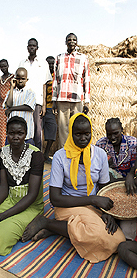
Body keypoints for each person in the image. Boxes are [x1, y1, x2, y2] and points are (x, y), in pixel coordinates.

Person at [23, 113, 125, 263]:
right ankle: (47, 223)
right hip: (67, 205)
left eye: (87, 134)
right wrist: (92, 199)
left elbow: (104, 189)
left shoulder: (100, 155)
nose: (83, 138)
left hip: (93, 206)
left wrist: (107, 213)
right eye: (78, 134)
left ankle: (57, 229)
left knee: (119, 240)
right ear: (71, 133)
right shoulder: (60, 156)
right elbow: (55, 199)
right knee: (96, 234)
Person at [0, 117, 44, 255]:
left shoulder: (35, 155)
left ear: (26, 134)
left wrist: (3, 215)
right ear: (6, 134)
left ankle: (38, 221)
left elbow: (32, 195)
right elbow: (3, 188)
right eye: (11, 133)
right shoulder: (3, 153)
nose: (15, 137)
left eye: (20, 133)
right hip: (10, 200)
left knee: (1, 237)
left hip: (30, 206)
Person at [54, 33, 90, 149]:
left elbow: (86, 80)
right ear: (66, 42)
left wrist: (87, 101)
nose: (71, 42)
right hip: (62, 98)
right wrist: (54, 99)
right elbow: (56, 80)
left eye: (74, 40)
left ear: (77, 42)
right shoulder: (59, 58)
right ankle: (64, 152)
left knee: (77, 127)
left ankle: (76, 151)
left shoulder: (83, 58)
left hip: (77, 98)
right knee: (63, 129)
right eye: (69, 40)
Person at [19, 38, 51, 150]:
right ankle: (25, 154)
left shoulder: (43, 63)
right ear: (27, 47)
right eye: (30, 45)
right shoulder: (22, 63)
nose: (32, 47)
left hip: (37, 101)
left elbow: (44, 84)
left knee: (37, 130)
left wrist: (44, 105)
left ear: (37, 48)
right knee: (25, 128)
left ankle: (37, 155)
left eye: (34, 46)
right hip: (24, 101)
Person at [4, 68, 36, 145]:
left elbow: (28, 107)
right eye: (18, 78)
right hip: (11, 135)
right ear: (15, 79)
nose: (20, 81)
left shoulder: (30, 92)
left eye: (23, 79)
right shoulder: (11, 92)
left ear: (27, 80)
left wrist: (11, 109)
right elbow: (8, 104)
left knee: (28, 152)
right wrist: (12, 87)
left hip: (26, 136)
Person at [42, 56, 57, 162]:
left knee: (52, 130)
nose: (51, 66)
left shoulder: (57, 77)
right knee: (38, 133)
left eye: (52, 63)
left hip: (51, 109)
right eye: (49, 64)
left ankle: (46, 154)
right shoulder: (42, 76)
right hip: (40, 107)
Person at [0, 60, 13, 145]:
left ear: (8, 66)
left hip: (11, 107)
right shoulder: (0, 79)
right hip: (1, 109)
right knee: (2, 130)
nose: (3, 68)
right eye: (1, 67)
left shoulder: (13, 78)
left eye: (5, 66)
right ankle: (2, 149)